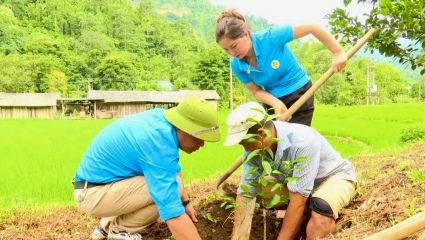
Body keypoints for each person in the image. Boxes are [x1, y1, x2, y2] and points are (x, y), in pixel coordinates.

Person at [72, 97, 221, 240]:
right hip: (92, 194)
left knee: (174, 185)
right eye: (200, 138)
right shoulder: (158, 143)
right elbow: (172, 212)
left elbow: (171, 168)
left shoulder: (162, 122)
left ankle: (105, 227)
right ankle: (120, 231)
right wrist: (179, 206)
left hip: (101, 186)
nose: (202, 145)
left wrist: (186, 202)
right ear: (185, 129)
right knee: (169, 191)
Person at [223, 101, 357, 240]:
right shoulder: (253, 150)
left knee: (321, 208)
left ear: (261, 133)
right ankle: (305, 213)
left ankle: (323, 220)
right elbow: (246, 191)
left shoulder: (302, 142)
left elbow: (298, 200)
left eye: (245, 143)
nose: (245, 149)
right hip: (297, 185)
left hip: (333, 178)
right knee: (258, 188)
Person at [215, 9, 347, 126]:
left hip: (299, 93)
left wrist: (337, 51)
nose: (232, 53)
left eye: (234, 46)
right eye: (226, 50)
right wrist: (276, 104)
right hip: (272, 101)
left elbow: (311, 27)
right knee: (272, 146)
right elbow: (256, 91)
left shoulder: (271, 37)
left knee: (297, 142)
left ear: (245, 34)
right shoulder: (236, 64)